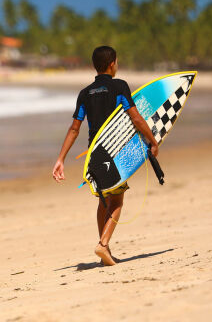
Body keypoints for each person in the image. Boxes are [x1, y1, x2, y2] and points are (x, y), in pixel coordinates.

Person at [52, 46, 159, 266]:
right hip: (116, 152)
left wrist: (60, 159)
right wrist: (152, 140)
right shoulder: (119, 87)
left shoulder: (85, 93)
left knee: (104, 201)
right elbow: (135, 118)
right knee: (117, 201)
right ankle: (103, 244)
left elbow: (74, 128)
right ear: (112, 64)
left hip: (95, 155)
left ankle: (105, 252)